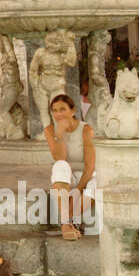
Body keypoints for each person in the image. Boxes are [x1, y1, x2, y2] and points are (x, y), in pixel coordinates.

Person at [44, 94, 95, 240]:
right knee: (60, 165)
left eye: (62, 109)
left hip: (87, 176)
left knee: (98, 185)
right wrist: (59, 135)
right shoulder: (49, 130)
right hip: (66, 177)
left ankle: (68, 219)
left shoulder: (86, 130)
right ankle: (67, 224)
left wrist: (77, 194)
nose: (58, 114)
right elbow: (60, 157)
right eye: (54, 110)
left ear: (72, 111)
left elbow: (90, 168)